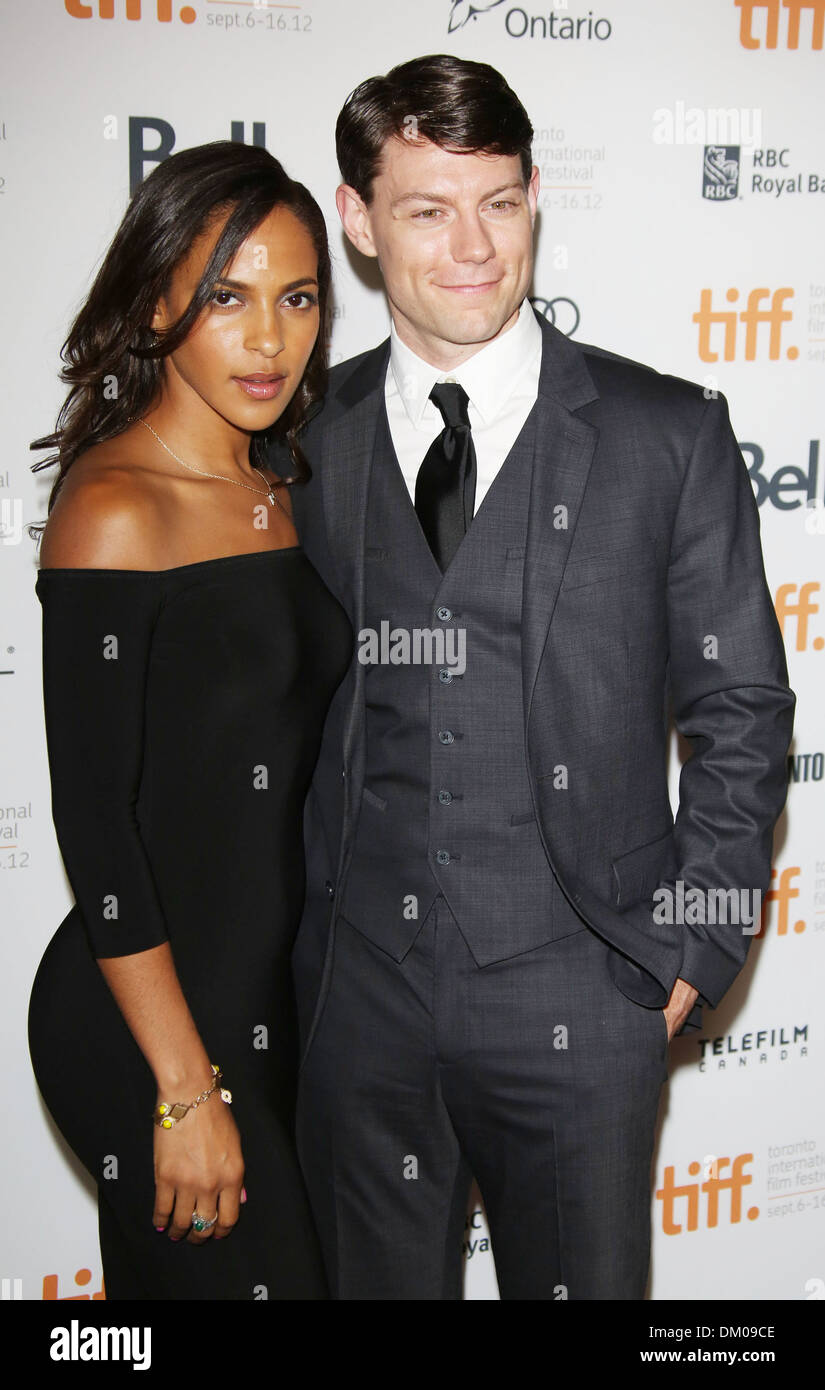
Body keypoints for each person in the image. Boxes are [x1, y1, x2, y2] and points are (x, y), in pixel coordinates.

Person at [270, 55, 796, 1300]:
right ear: (357, 219)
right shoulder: (305, 443)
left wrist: (691, 956)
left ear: (536, 200)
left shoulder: (666, 433)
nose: (471, 246)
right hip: (365, 1009)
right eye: (427, 208)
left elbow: (743, 708)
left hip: (588, 993)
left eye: (498, 202)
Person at [27, 141, 351, 1299]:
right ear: (158, 294)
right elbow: (97, 824)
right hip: (153, 1027)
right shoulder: (117, 509)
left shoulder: (282, 483)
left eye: (298, 296)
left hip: (270, 1009)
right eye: (227, 295)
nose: (270, 337)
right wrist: (183, 1086)